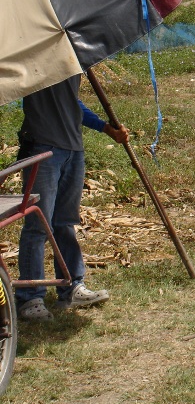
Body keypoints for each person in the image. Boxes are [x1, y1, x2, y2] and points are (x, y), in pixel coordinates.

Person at [16, 75, 129, 322]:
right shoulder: (35, 57)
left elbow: (71, 103)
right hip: (42, 148)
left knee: (64, 222)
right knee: (38, 225)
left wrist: (105, 127)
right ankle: (30, 298)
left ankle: (71, 288)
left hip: (72, 150)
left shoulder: (72, 58)